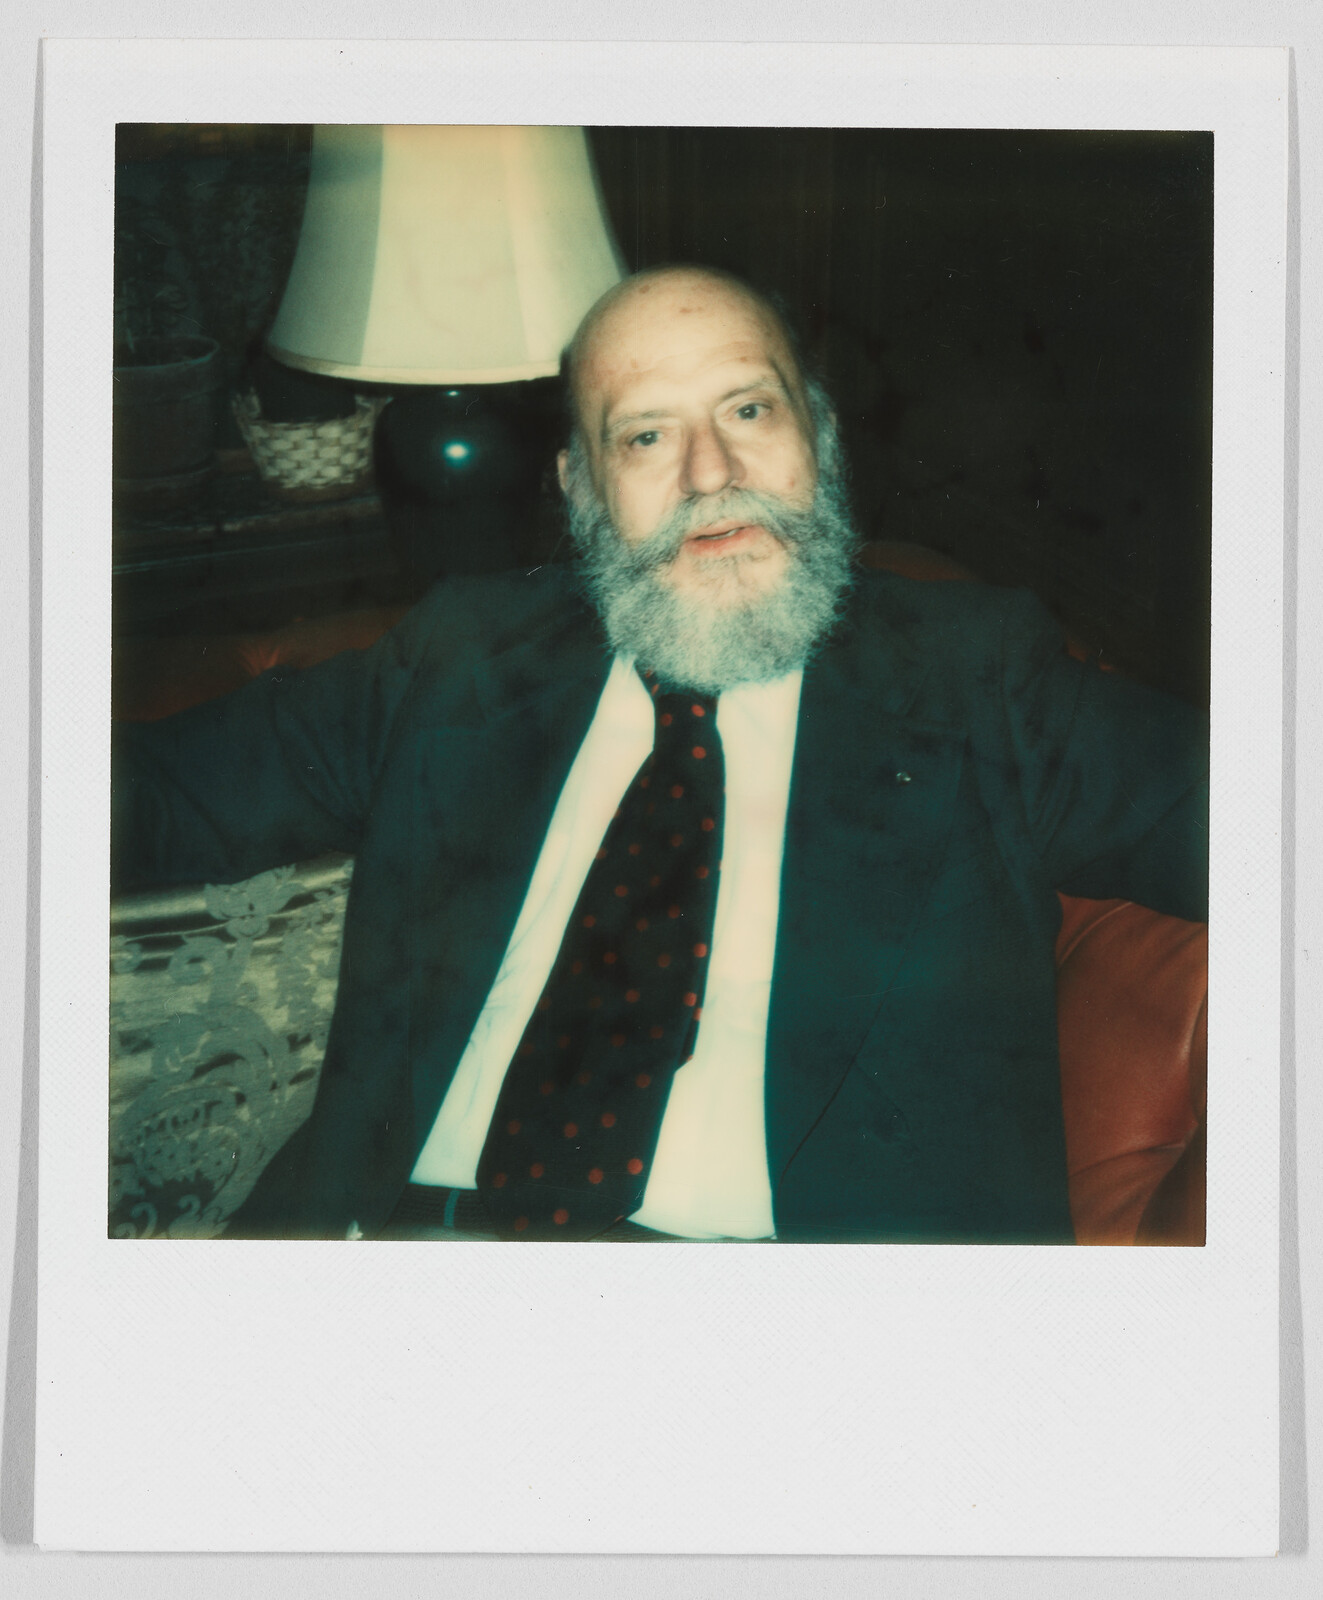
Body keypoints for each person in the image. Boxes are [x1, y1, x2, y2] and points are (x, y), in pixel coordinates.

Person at [113, 265, 1208, 1244]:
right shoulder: (462, 658)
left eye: (748, 408)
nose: (709, 472)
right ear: (581, 488)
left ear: (817, 439)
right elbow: (140, 800)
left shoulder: (980, 681)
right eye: (644, 435)